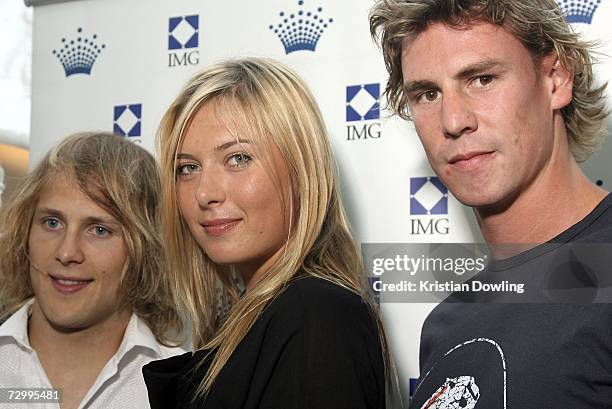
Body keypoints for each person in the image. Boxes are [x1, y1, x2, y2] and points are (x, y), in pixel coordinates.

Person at [370, 0, 612, 407]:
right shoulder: (445, 324)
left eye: (481, 79)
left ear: (556, 79)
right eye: (428, 94)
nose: (453, 120)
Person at [142, 58, 397, 409]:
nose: (204, 192)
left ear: (301, 169)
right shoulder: (258, 318)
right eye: (188, 168)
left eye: (237, 159)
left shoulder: (318, 316)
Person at [0, 132, 189, 409]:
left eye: (99, 230)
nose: (66, 253)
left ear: (146, 250)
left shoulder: (183, 386)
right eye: (52, 223)